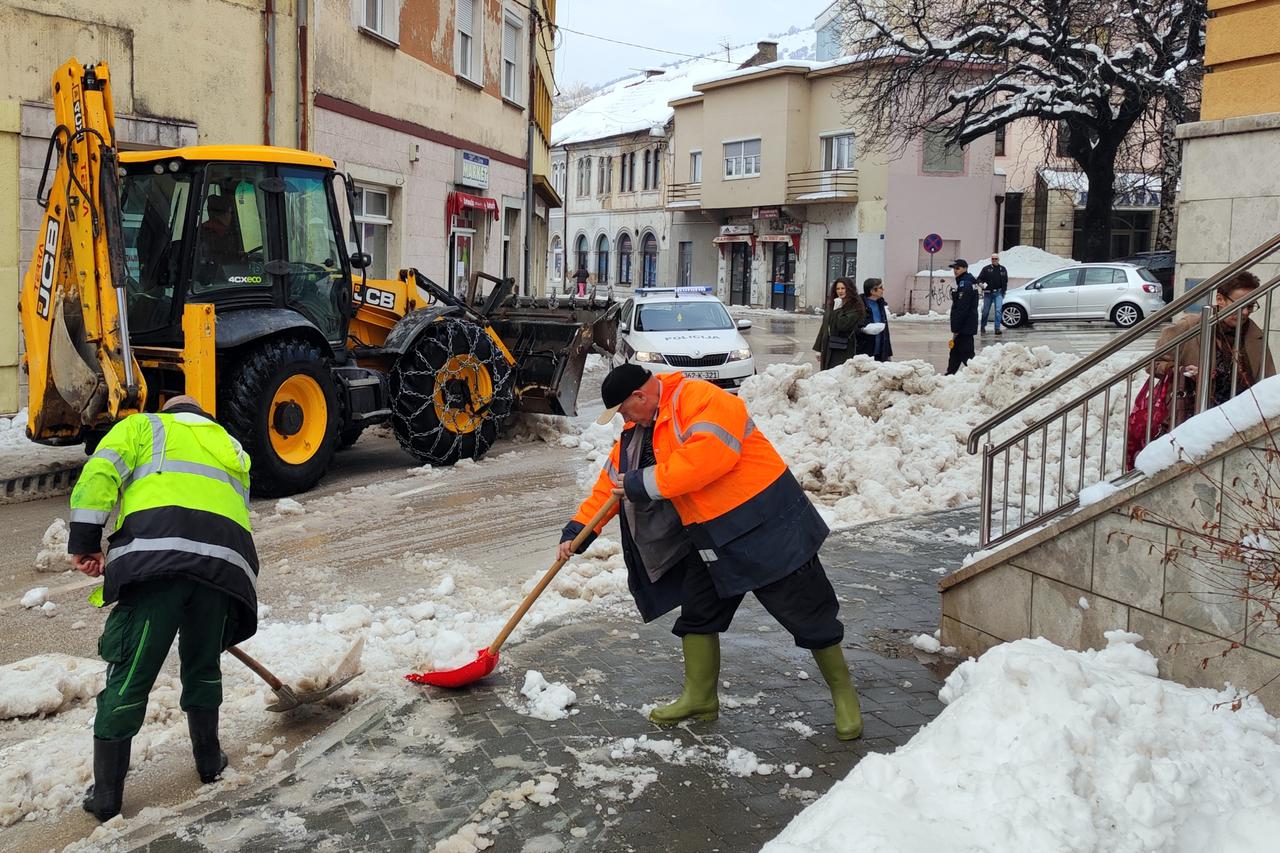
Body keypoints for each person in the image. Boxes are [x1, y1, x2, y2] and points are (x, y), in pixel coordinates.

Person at [559, 364, 864, 741]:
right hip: (710, 535)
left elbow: (706, 460)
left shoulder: (701, 399)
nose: (625, 419)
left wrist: (640, 483)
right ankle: (700, 697)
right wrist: (578, 532)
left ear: (639, 396)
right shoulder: (638, 432)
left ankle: (844, 696)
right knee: (699, 613)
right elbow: (611, 487)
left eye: (624, 410)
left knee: (808, 613)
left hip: (765, 525)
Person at [69, 395, 260, 821]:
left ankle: (106, 798)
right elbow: (234, 509)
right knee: (203, 664)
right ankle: (210, 762)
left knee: (132, 674)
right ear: (203, 417)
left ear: (170, 412)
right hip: (223, 570)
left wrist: (85, 541)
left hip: (158, 565)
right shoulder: (231, 444)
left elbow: (99, 473)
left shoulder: (143, 427)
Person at [1153, 270, 1277, 421]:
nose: (1245, 312)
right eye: (1239, 305)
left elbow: (1267, 380)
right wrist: (1182, 370)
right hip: (1191, 417)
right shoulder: (1191, 326)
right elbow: (1153, 363)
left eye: (1250, 306)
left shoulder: (1254, 334)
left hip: (1239, 420)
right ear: (1220, 299)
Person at [812, 278, 867, 370]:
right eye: (838, 289)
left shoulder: (855, 307)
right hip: (828, 346)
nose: (840, 291)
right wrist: (818, 348)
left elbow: (843, 325)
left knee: (838, 375)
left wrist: (838, 310)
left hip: (843, 348)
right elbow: (825, 326)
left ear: (849, 289)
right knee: (827, 375)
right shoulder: (833, 303)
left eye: (843, 288)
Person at [946, 259, 980, 375]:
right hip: (965, 325)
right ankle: (949, 375)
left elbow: (962, 308)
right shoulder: (967, 281)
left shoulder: (965, 284)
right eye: (954, 268)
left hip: (965, 326)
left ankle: (977, 375)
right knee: (955, 352)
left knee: (967, 355)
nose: (955, 271)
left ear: (965, 268)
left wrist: (956, 327)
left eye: (958, 268)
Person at [855, 278, 893, 362]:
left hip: (880, 352)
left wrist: (888, 353)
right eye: (880, 287)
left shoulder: (880, 304)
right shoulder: (859, 305)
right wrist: (863, 330)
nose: (883, 289)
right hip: (864, 352)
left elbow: (885, 330)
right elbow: (853, 327)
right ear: (872, 291)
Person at [977, 253, 1009, 335]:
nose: (994, 260)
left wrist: (1003, 292)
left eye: (996, 259)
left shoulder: (1003, 269)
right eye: (993, 259)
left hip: (998, 292)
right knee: (985, 311)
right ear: (991, 260)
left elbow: (1005, 281)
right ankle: (983, 327)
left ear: (998, 260)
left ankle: (997, 328)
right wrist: (981, 284)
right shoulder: (986, 269)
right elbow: (979, 278)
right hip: (988, 293)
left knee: (998, 311)